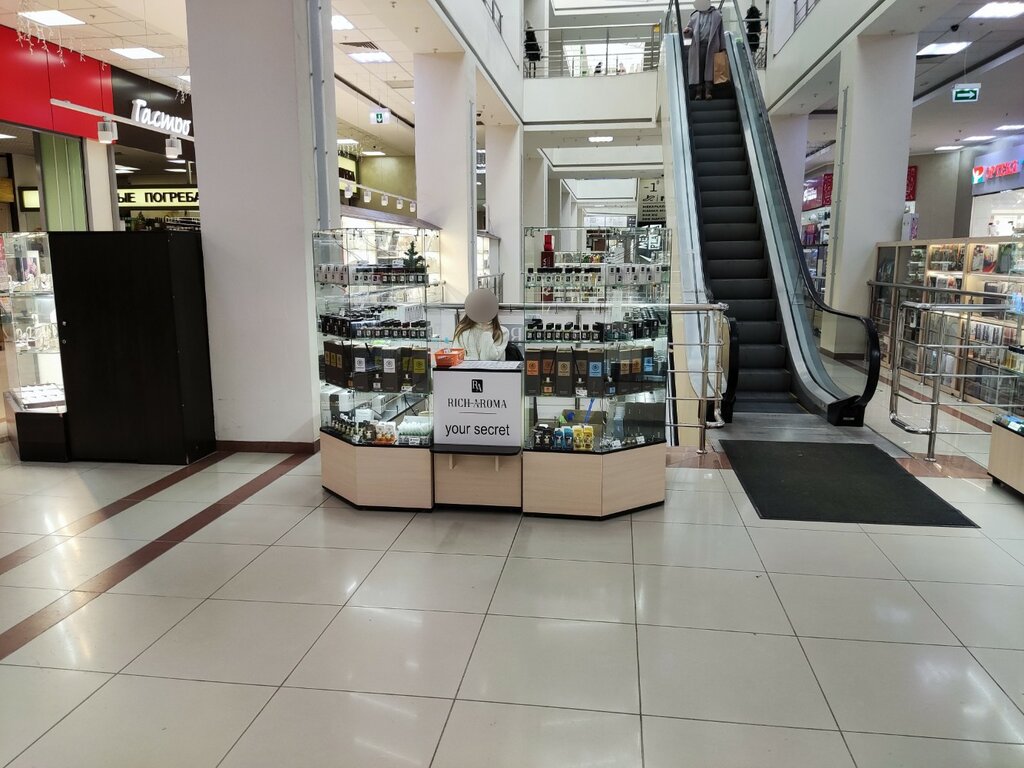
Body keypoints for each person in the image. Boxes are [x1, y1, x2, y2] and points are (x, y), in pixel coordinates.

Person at [683, 0, 724, 101]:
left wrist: (723, 48)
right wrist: (687, 31)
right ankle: (698, 92)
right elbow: (690, 32)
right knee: (699, 69)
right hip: (698, 47)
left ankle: (708, 91)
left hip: (712, 46)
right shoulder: (694, 15)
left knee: (710, 69)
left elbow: (721, 33)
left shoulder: (717, 15)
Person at [453, 288, 509, 361]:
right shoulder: (462, 330)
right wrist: (476, 361)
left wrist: (486, 332)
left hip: (492, 369)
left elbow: (488, 359)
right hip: (466, 369)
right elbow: (457, 356)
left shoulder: (502, 332)